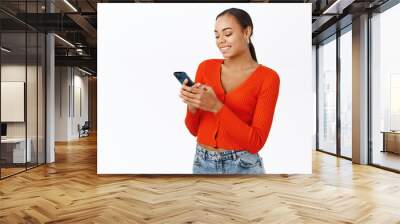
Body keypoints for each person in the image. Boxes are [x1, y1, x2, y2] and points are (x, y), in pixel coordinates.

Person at [179, 8, 280, 174]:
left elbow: (256, 143)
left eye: (227, 33)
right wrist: (192, 106)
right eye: (217, 36)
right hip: (202, 162)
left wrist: (216, 107)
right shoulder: (205, 67)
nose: (221, 41)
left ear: (247, 32)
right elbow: (193, 130)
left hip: (243, 165)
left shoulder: (268, 78)